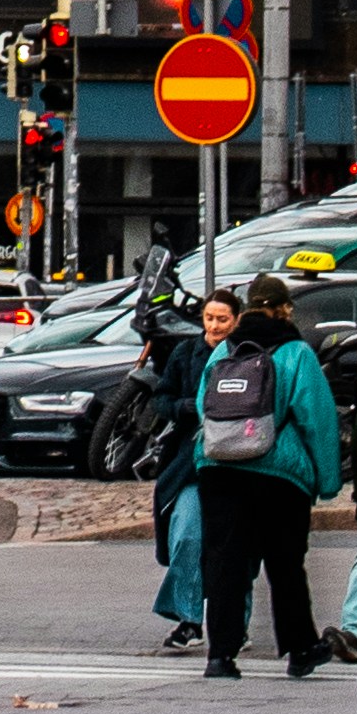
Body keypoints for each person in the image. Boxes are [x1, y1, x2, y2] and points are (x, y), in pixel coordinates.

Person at [190, 273, 340, 682]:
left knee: (226, 562)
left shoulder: (224, 349)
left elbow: (206, 406)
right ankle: (300, 648)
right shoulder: (296, 353)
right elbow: (317, 420)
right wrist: (327, 480)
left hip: (219, 467)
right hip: (278, 475)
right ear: (284, 308)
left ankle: (220, 655)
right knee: (285, 563)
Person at [137, 260, 209, 644]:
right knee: (186, 535)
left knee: (236, 553)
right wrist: (184, 407)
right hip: (191, 466)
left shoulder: (248, 357)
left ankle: (236, 623)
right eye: (210, 319)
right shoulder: (186, 354)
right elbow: (162, 399)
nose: (215, 326)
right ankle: (189, 618)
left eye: (223, 319)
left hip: (236, 464)